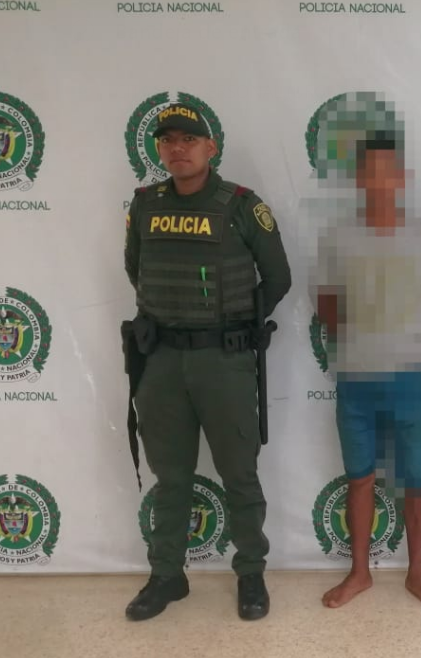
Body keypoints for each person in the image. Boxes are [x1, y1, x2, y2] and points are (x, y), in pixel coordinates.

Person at [122, 103, 291, 621]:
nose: (178, 148)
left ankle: (251, 573)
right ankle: (167, 575)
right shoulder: (145, 205)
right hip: (161, 362)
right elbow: (135, 269)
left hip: (223, 360)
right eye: (168, 140)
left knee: (239, 474)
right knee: (170, 476)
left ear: (210, 148)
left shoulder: (241, 205)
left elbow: (278, 278)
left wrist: (235, 324)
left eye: (189, 139)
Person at [315, 134, 421, 610]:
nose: (378, 180)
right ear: (358, 178)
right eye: (369, 170)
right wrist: (363, 340)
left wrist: (408, 344)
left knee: (417, 480)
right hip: (356, 378)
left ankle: (418, 573)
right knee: (360, 478)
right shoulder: (337, 237)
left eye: (387, 170)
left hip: (412, 377)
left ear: (401, 177)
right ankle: (359, 573)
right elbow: (326, 304)